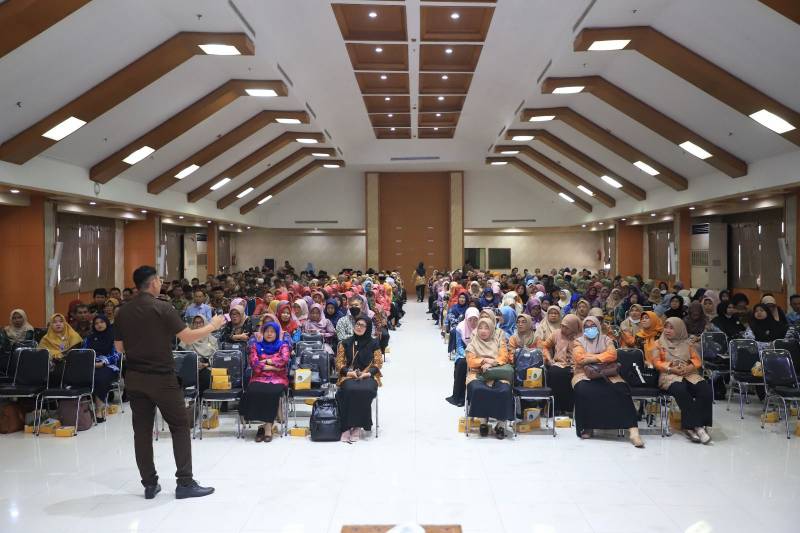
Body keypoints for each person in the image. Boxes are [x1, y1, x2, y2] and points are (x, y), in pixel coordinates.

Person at [114, 265, 225, 500]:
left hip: (134, 378)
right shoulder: (162, 307)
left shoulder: (122, 311)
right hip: (162, 378)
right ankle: (184, 482)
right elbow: (188, 337)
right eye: (159, 280)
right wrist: (213, 326)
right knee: (180, 426)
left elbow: (119, 348)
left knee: (142, 432)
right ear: (153, 282)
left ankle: (149, 484)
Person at [572, 316, 643, 447]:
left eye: (592, 326)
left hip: (608, 372)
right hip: (584, 373)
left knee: (622, 389)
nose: (589, 329)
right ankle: (588, 426)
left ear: (598, 327)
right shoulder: (578, 341)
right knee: (583, 389)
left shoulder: (606, 339)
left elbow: (613, 355)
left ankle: (634, 431)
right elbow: (580, 359)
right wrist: (602, 357)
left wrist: (591, 358)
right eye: (586, 327)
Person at [653, 317, 713, 444]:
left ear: (680, 329)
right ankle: (696, 427)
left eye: (672, 328)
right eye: (666, 327)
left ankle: (697, 424)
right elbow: (656, 362)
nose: (667, 330)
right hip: (669, 375)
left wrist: (689, 367)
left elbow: (697, 360)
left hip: (688, 373)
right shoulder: (659, 343)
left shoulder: (688, 344)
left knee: (705, 389)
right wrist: (671, 368)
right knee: (681, 390)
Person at [241, 321, 290, 443]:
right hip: (259, 377)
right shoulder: (255, 346)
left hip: (278, 378)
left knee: (272, 392)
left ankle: (267, 428)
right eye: (267, 331)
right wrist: (274, 366)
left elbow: (284, 360)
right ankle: (263, 426)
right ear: (263, 332)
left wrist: (266, 361)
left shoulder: (283, 345)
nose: (269, 334)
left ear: (277, 333)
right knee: (253, 390)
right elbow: (254, 364)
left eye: (272, 331)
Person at [335, 316, 383, 443]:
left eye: (362, 325)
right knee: (348, 390)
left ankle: (357, 425)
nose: (359, 327)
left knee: (365, 390)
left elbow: (378, 363)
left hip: (368, 376)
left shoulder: (374, 343)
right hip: (349, 376)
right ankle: (346, 427)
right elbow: (339, 363)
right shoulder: (345, 342)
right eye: (357, 324)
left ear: (368, 328)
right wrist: (349, 372)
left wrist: (367, 374)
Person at [465, 317, 514, 439]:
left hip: (497, 373)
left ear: (492, 330)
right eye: (480, 328)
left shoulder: (498, 342)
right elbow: (471, 361)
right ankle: (483, 422)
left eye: (486, 328)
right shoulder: (473, 344)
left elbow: (504, 357)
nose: (483, 331)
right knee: (478, 389)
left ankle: (500, 425)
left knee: (504, 390)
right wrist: (483, 361)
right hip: (477, 373)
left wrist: (492, 363)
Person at [82, 315, 120, 422]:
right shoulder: (89, 338)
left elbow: (116, 355)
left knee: (99, 378)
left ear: (107, 323)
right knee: (80, 376)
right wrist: (90, 362)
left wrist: (103, 363)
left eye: (102, 322)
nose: (99, 325)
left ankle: (99, 410)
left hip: (109, 366)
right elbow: (84, 352)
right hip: (91, 364)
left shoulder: (114, 337)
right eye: (96, 323)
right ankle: (82, 410)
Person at [541, 314, 580, 414]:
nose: (563, 329)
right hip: (559, 363)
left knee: (573, 375)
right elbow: (545, 346)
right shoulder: (556, 333)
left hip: (577, 365)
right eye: (562, 326)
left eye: (566, 327)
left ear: (573, 327)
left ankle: (570, 409)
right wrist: (549, 359)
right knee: (554, 373)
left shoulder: (581, 336)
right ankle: (555, 408)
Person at [446, 307, 479, 407]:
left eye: (475, 319)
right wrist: (467, 355)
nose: (473, 322)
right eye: (470, 319)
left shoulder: (481, 328)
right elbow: (459, 346)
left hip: (478, 352)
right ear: (466, 318)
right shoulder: (460, 328)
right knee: (462, 364)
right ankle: (459, 397)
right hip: (463, 353)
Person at [38, 313, 83, 384]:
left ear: (65, 323)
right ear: (51, 324)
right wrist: (55, 356)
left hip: (70, 362)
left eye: (61, 321)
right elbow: (41, 353)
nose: (58, 324)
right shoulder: (46, 338)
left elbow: (75, 351)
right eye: (54, 322)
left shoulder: (73, 335)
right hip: (51, 364)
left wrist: (61, 355)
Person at [179, 315, 218, 394]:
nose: (198, 325)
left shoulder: (212, 340)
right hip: (190, 367)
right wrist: (194, 363)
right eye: (196, 323)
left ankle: (201, 398)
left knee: (207, 377)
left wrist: (206, 364)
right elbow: (181, 355)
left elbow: (217, 357)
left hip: (206, 366)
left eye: (200, 323)